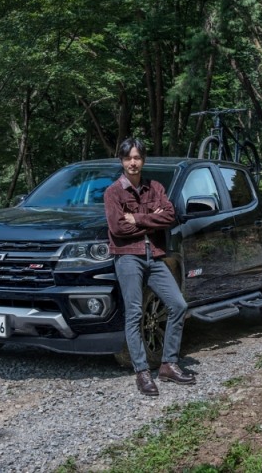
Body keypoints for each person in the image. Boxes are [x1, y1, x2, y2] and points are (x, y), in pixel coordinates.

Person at [103, 138, 196, 396]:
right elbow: (118, 228)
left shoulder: (155, 187)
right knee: (134, 313)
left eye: (137, 158)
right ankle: (142, 373)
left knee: (178, 305)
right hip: (128, 257)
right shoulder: (113, 192)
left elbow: (169, 215)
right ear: (121, 161)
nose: (133, 162)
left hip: (153, 256)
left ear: (143, 160)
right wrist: (153, 220)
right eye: (128, 158)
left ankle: (168, 364)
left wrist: (139, 218)